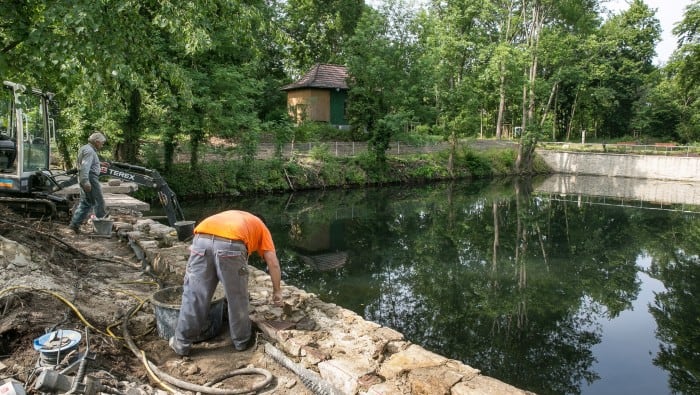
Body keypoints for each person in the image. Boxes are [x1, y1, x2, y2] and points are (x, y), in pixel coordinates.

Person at [169, 210, 283, 356]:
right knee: (237, 298)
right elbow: (273, 263)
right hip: (231, 246)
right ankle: (242, 342)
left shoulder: (237, 217)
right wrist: (277, 290)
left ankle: (181, 343)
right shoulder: (262, 227)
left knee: (194, 296)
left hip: (200, 240)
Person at [68, 132, 108, 233]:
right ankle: (102, 228)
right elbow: (85, 167)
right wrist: (86, 182)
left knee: (86, 202)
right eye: (102, 143)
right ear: (97, 142)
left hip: (86, 177)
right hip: (90, 177)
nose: (102, 145)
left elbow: (85, 163)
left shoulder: (85, 148)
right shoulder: (90, 151)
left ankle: (74, 225)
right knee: (99, 201)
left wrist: (98, 163)